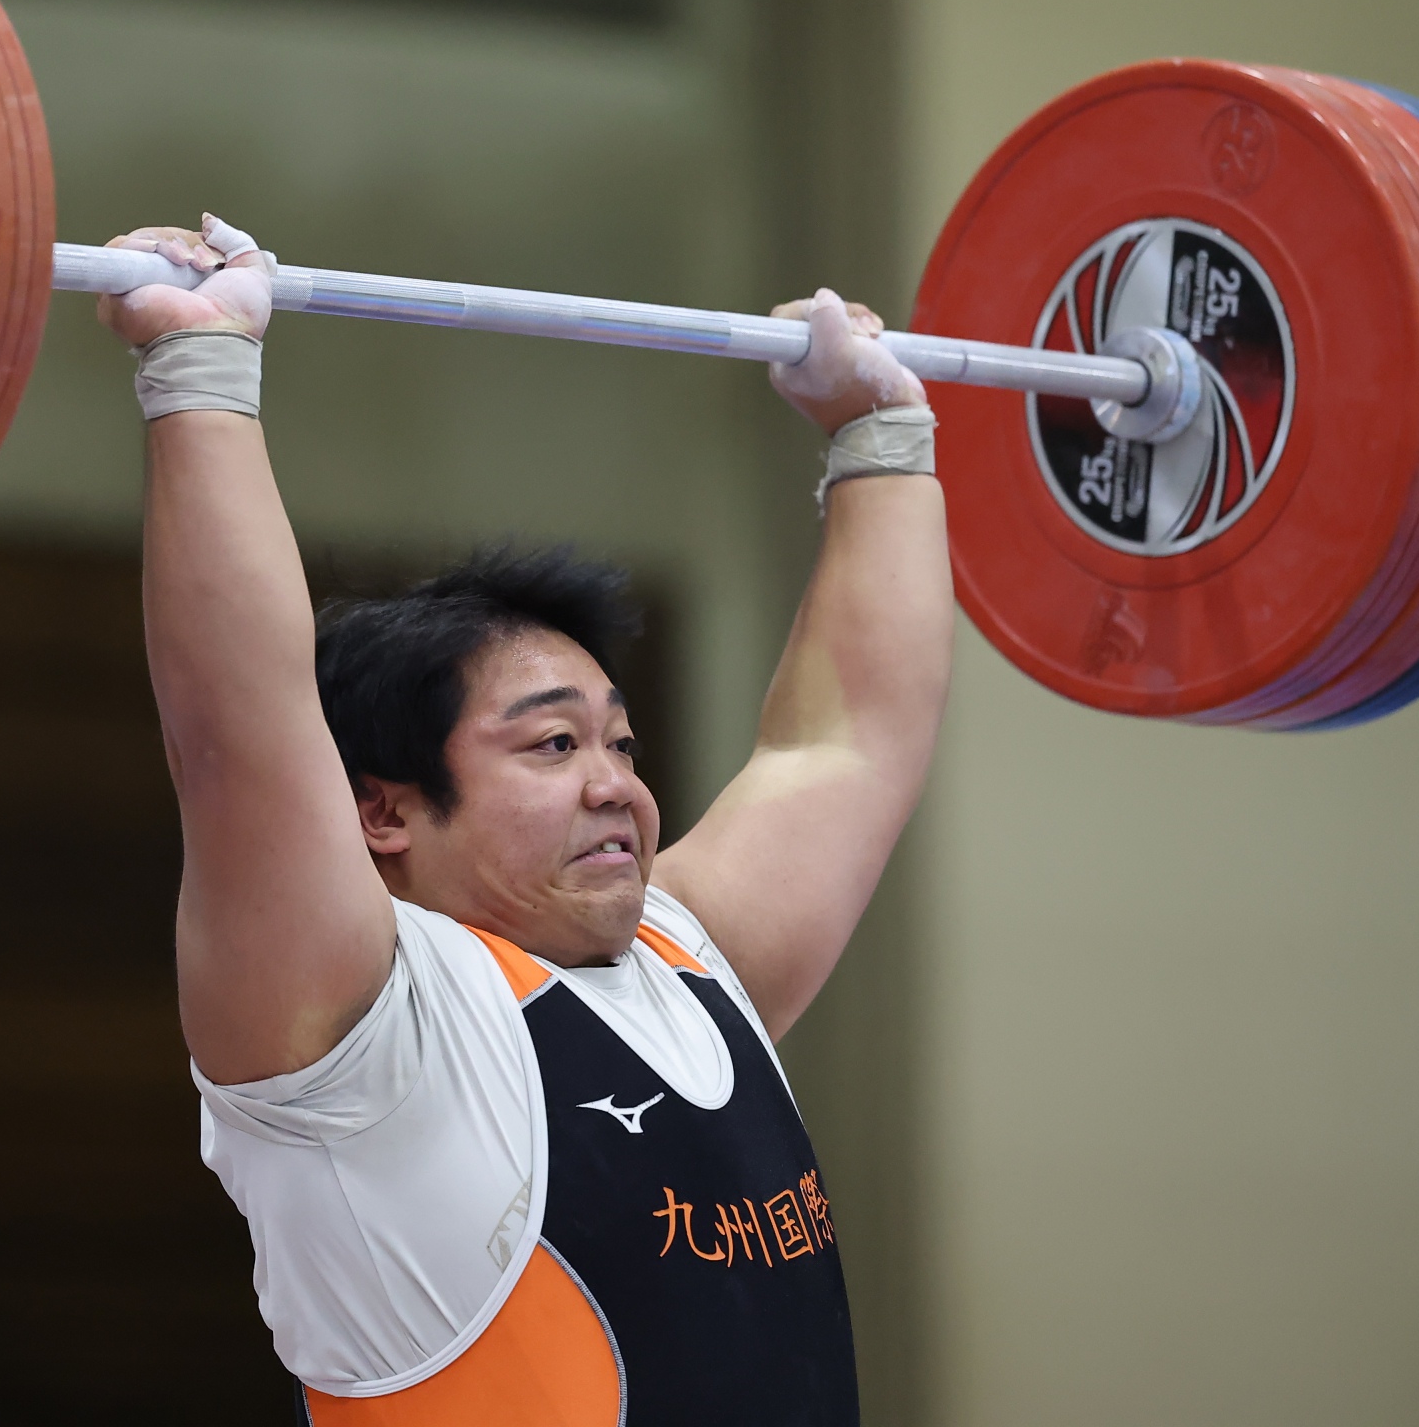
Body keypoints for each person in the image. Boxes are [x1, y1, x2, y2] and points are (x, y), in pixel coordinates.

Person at [101, 215, 952, 1424]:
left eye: (621, 743)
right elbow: (240, 734)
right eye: (554, 744)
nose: (617, 786)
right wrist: (200, 367)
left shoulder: (687, 955)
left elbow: (847, 739)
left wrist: (885, 435)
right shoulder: (368, 1045)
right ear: (382, 810)